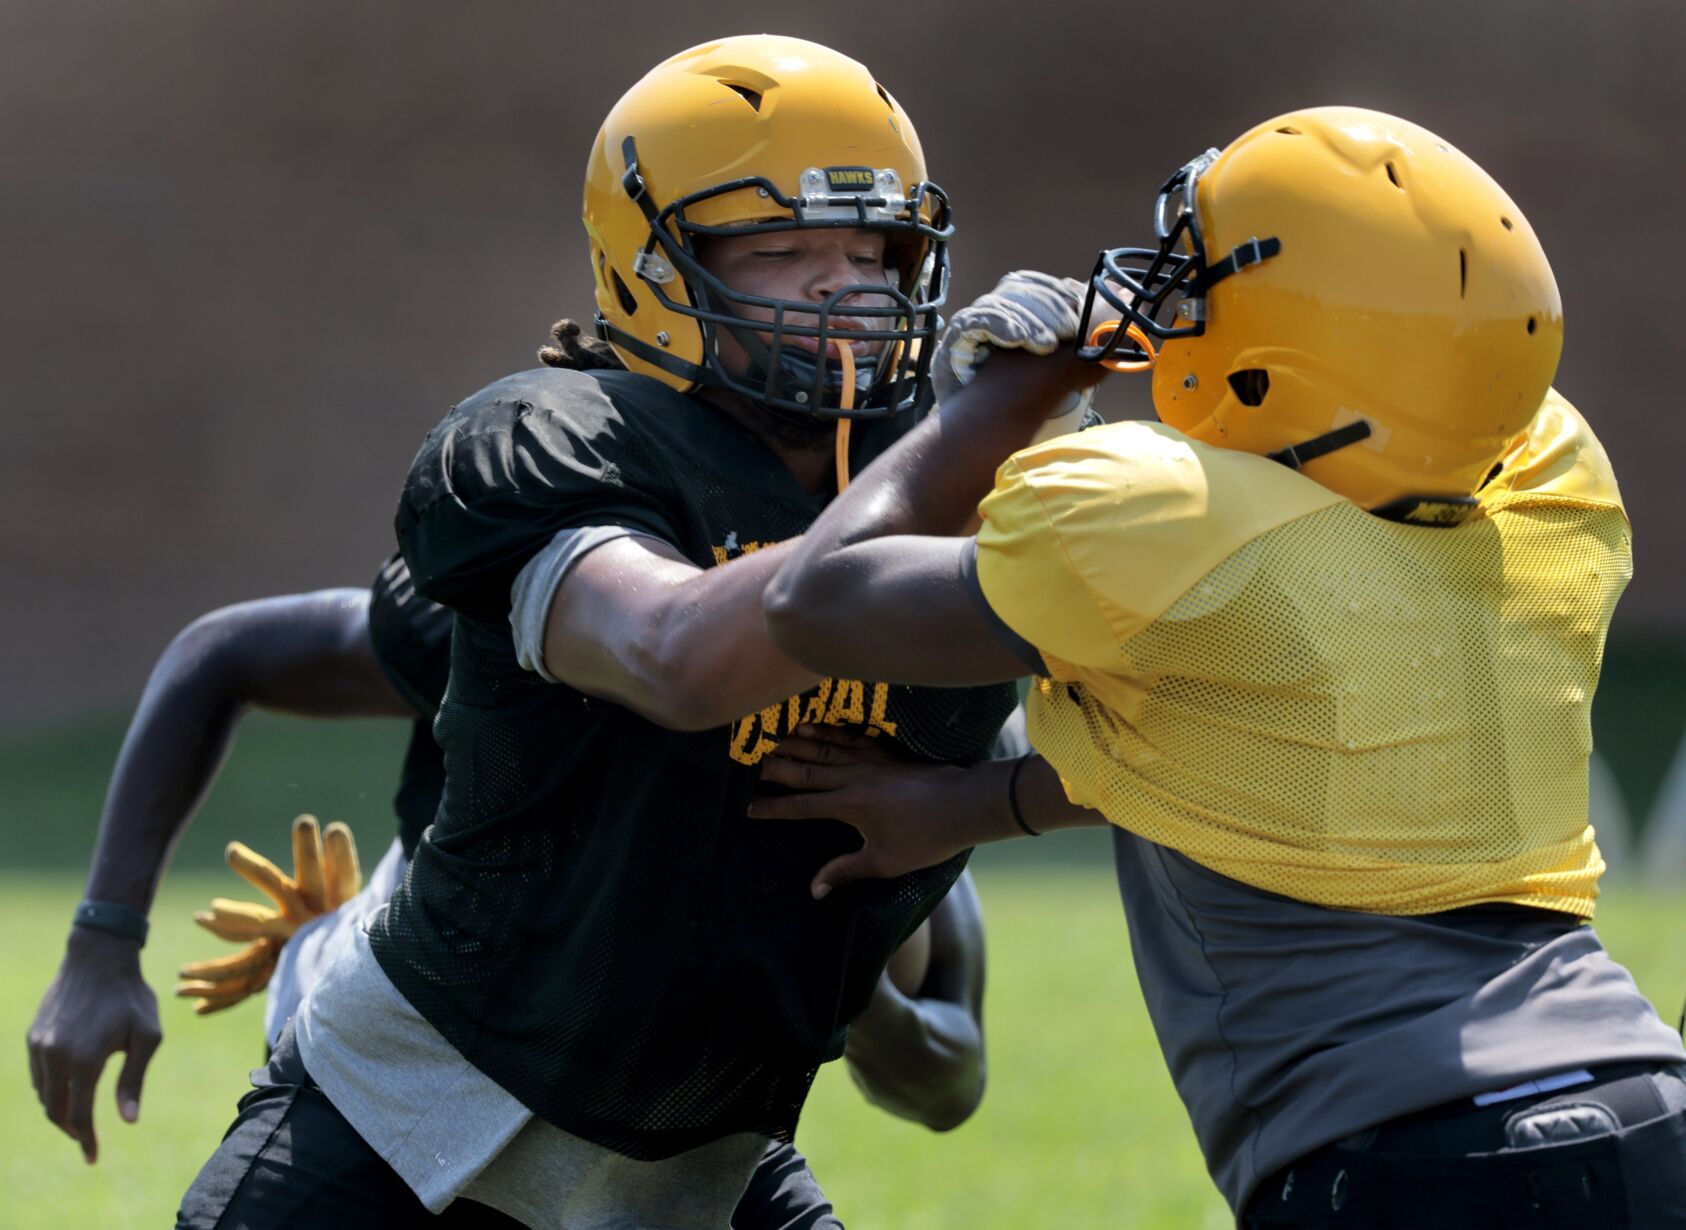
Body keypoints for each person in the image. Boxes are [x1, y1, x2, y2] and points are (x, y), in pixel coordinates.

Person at [758, 107, 1686, 1227]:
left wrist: (1005, 404)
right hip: (1648, 1110)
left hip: (1397, 1156)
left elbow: (815, 601)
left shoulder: (1180, 532)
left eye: (1203, 284)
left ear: (1281, 356)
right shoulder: (1547, 492)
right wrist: (968, 804)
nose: (1175, 304)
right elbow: (1251, 747)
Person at [175, 34, 1014, 1229]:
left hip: (698, 1169)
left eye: (874, 250)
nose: (846, 286)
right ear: (652, 264)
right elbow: (679, 657)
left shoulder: (977, 496)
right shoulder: (553, 445)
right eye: (781, 250)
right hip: (408, 1116)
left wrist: (986, 804)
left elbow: (1200, 732)